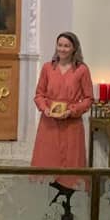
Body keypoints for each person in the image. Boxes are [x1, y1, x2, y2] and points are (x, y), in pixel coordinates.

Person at [31, 32, 93, 198]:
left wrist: (71, 111)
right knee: (48, 161)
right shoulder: (47, 68)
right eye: (60, 45)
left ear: (74, 48)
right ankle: (46, 202)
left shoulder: (82, 70)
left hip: (71, 125)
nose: (62, 49)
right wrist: (44, 108)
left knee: (70, 163)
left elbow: (88, 99)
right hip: (49, 124)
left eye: (66, 46)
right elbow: (39, 94)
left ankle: (68, 204)